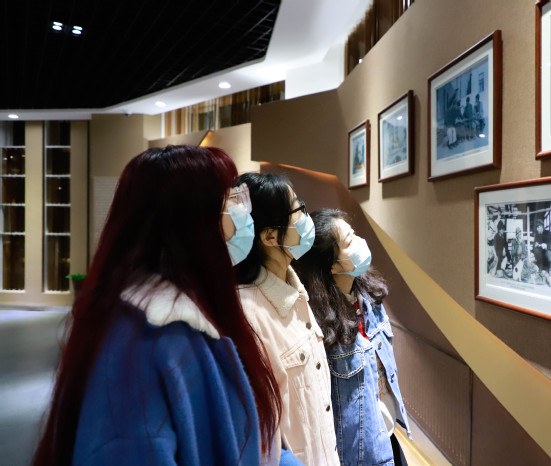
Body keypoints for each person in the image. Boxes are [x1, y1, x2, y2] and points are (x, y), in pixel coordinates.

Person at [33, 145, 302, 465]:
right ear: (194, 221)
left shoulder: (199, 313)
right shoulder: (143, 345)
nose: (244, 213)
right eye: (231, 199)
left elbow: (259, 442)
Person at [233, 172, 340, 466]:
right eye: (298, 210)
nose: (306, 216)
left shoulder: (296, 290)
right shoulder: (247, 313)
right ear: (269, 236)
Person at [294, 209, 412, 466]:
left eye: (354, 234)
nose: (360, 242)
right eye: (349, 241)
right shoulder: (319, 325)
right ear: (332, 265)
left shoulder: (369, 298)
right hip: (354, 452)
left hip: (386, 432)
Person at [532, 219, 551, 286]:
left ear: (541, 226)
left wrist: (545, 245)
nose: (537, 229)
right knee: (536, 251)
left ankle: (548, 269)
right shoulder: (537, 235)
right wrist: (535, 245)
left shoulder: (547, 233)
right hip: (541, 255)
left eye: (538, 227)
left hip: (547, 253)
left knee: (548, 254)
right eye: (536, 227)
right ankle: (541, 269)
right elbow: (534, 246)